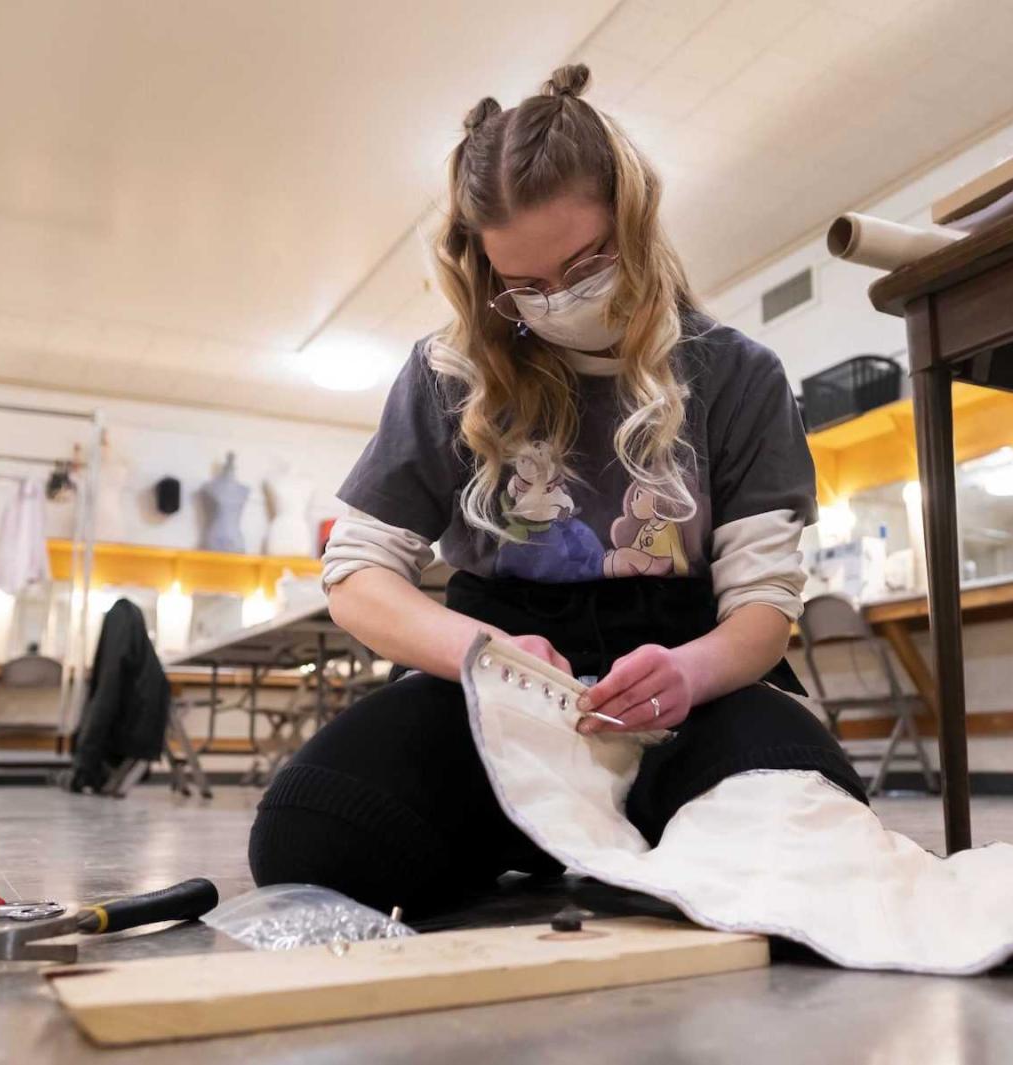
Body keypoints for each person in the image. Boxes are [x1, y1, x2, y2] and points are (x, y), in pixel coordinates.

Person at [249, 64, 864, 915]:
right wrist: (474, 650)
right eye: (525, 286)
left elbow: (763, 609)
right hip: (502, 675)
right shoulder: (447, 374)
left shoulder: (736, 373)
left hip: (687, 675)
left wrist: (687, 673)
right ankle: (569, 827)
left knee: (815, 836)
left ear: (634, 218)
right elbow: (356, 572)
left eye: (585, 264)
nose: (558, 302)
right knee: (312, 838)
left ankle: (613, 817)